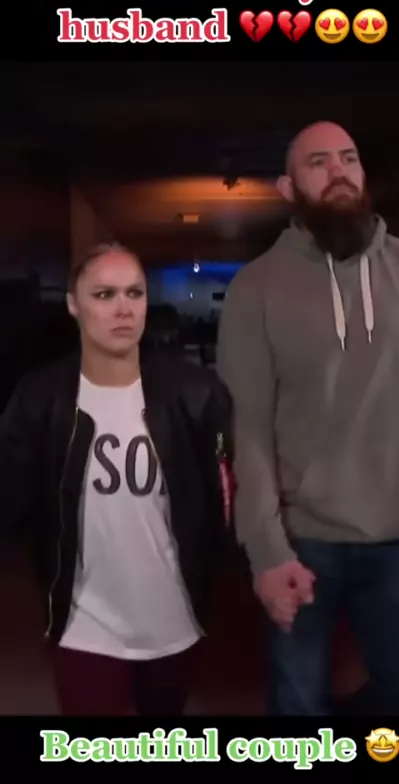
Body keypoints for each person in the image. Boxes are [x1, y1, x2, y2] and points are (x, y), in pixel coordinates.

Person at [217, 120, 399, 716]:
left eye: (349, 157)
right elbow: (248, 428)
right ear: (289, 188)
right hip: (301, 542)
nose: (338, 170)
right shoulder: (256, 289)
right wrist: (266, 551)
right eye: (319, 162)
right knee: (298, 714)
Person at [0, 242, 233, 716]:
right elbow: (11, 495)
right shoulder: (40, 396)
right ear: (74, 304)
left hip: (173, 620)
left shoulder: (197, 392)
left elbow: (225, 496)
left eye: (134, 292)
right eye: (104, 294)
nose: (123, 308)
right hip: (84, 622)